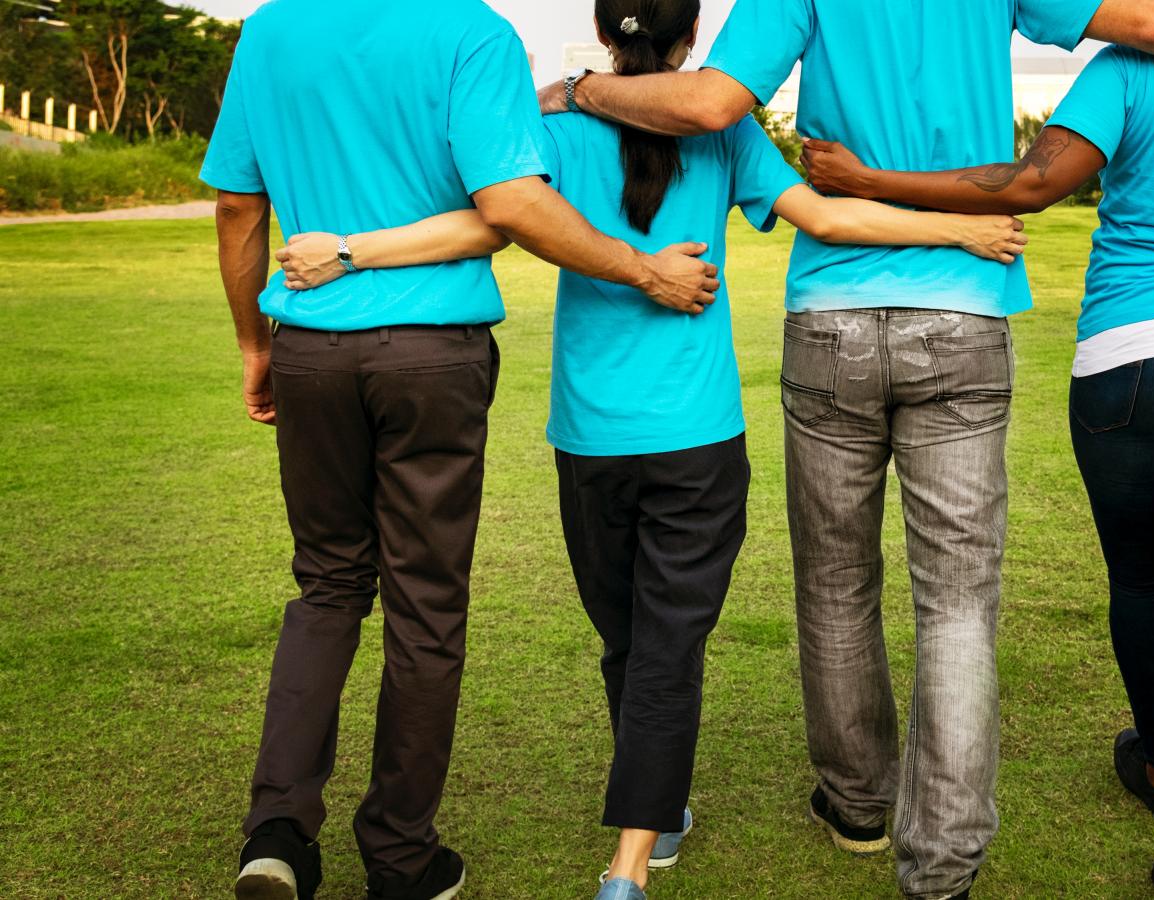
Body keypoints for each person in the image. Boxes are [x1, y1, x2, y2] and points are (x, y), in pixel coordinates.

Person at [539, 2, 1154, 898]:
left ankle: (856, 804)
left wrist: (582, 88)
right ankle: (945, 858)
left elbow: (706, 106)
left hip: (830, 318)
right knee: (958, 602)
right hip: (963, 311)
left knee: (835, 583)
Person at [270, 2, 1026, 897]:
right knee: (665, 644)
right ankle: (642, 837)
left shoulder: (553, 126)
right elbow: (824, 219)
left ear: (603, 34)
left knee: (627, 637)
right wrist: (961, 229)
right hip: (698, 436)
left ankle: (652, 824)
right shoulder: (731, 133)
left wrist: (352, 247)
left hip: (590, 437)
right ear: (689, 44)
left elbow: (491, 217)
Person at [802, 0, 1154, 896]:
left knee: (1141, 579)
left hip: (1125, 358)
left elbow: (1027, 185)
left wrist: (871, 179)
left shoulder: (1126, 71)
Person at [202, 1, 722, 898]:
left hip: (310, 350)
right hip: (431, 355)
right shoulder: (472, 33)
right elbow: (512, 205)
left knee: (326, 586)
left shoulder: (270, 29)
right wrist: (643, 269)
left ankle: (278, 833)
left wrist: (255, 344)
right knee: (424, 608)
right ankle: (402, 858)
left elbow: (239, 205)